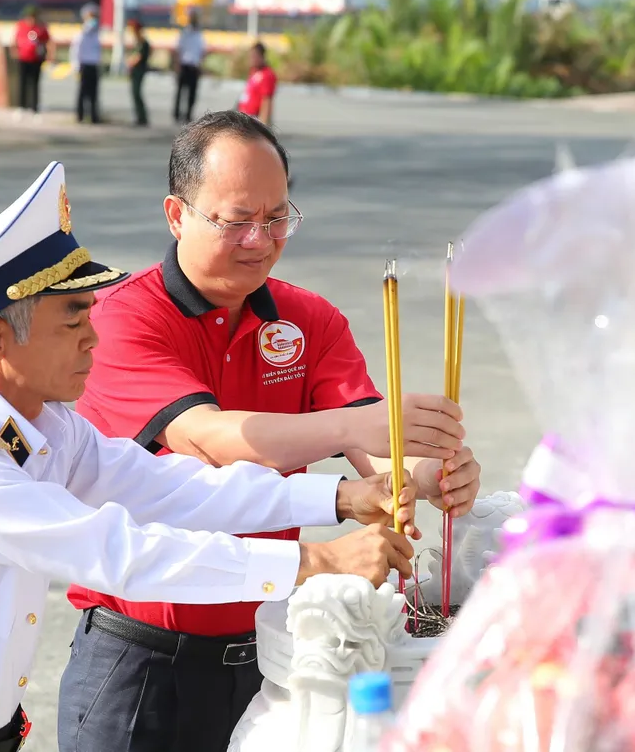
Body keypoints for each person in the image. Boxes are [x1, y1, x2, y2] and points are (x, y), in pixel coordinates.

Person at [0, 161, 420, 752]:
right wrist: (312, 560)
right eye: (72, 320)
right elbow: (118, 551)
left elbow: (170, 487)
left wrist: (338, 497)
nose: (93, 337)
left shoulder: (46, 425)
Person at [58, 111, 481, 752]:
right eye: (236, 220)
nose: (261, 238)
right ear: (177, 214)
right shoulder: (122, 317)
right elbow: (210, 440)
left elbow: (374, 453)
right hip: (141, 660)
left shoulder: (309, 318)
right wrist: (355, 426)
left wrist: (425, 475)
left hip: (271, 650)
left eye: (278, 217)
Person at [14, 5, 53, 114]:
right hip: (23, 58)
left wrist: (50, 55)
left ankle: (35, 108)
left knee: (35, 83)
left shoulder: (41, 27)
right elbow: (15, 39)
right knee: (23, 83)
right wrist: (15, 52)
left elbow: (48, 42)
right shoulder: (21, 26)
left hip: (36, 58)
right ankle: (21, 107)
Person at [70, 3, 101, 124]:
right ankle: (80, 115)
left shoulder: (96, 34)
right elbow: (76, 51)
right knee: (83, 92)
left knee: (94, 93)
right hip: (84, 65)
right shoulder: (81, 34)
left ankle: (94, 116)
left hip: (94, 65)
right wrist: (76, 66)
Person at [173, 11, 205, 124]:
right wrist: (177, 65)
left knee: (192, 93)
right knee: (180, 92)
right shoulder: (185, 33)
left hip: (194, 66)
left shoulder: (199, 35)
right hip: (184, 65)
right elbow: (178, 49)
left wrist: (201, 66)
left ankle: (188, 114)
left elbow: (202, 52)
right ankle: (177, 114)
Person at [238, 41, 277, 126]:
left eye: (254, 56)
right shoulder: (254, 71)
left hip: (255, 119)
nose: (251, 59)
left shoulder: (267, 75)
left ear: (261, 56)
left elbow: (267, 100)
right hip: (245, 116)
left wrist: (263, 123)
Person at [128, 18, 152, 127]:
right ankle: (139, 116)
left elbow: (139, 57)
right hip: (135, 71)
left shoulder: (142, 42)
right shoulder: (138, 41)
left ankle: (142, 117)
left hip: (139, 70)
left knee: (137, 93)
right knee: (135, 94)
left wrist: (130, 62)